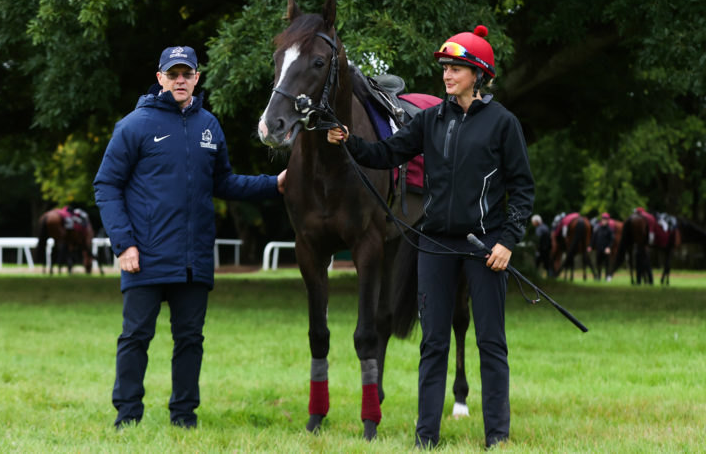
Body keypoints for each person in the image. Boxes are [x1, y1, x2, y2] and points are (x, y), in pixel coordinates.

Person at [328, 26, 534, 449]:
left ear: (478, 74)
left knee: (490, 343)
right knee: (433, 343)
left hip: (485, 248)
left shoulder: (503, 124)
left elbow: (523, 188)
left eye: (456, 68)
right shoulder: (430, 120)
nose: (447, 75)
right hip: (434, 245)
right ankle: (427, 437)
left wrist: (508, 240)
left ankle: (497, 435)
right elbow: (387, 154)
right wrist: (349, 143)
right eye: (445, 67)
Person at [93, 45, 286, 430]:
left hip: (193, 259)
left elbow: (224, 182)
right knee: (135, 337)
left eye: (187, 74)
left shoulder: (209, 126)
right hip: (143, 255)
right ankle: (127, 417)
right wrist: (124, 244)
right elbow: (107, 185)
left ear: (197, 78)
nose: (181, 80)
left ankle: (184, 417)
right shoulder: (133, 125)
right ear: (161, 77)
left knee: (190, 340)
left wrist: (275, 184)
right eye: (173, 74)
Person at [589, 213, 614, 281]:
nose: (604, 221)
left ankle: (607, 276)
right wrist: (590, 246)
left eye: (605, 220)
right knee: (598, 263)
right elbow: (593, 238)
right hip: (599, 248)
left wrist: (609, 247)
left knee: (607, 263)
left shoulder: (610, 230)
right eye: (603, 219)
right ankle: (599, 276)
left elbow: (612, 240)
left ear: (607, 220)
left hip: (606, 249)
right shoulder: (598, 228)